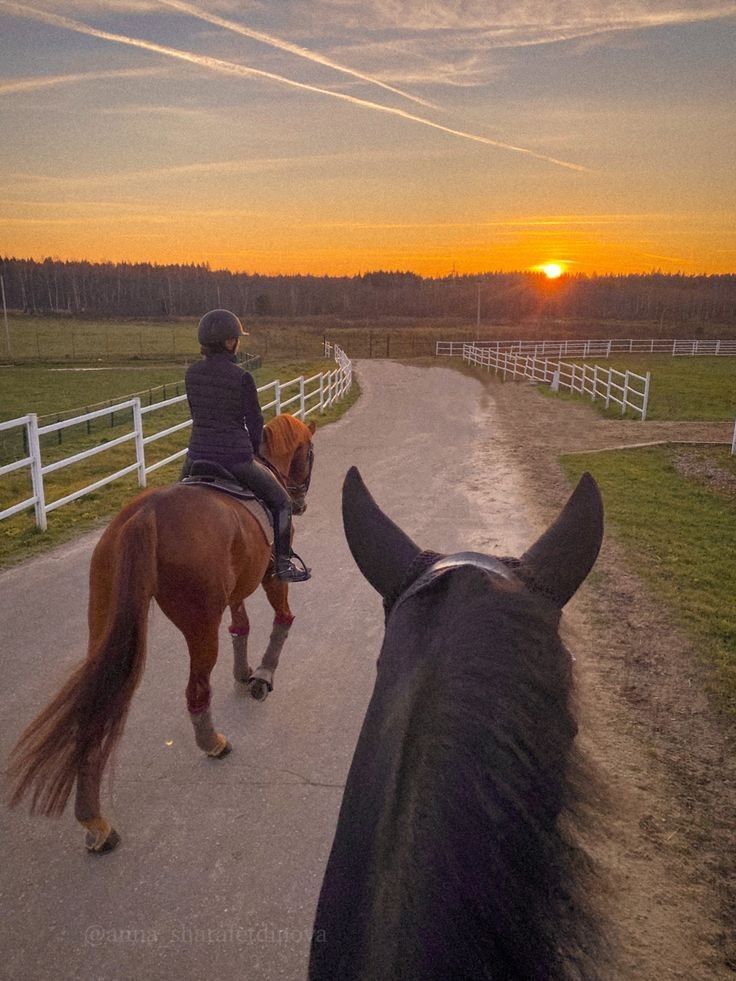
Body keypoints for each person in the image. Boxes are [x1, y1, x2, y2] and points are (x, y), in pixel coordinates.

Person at [182, 309, 311, 582]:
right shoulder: (242, 377)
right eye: (236, 339)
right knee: (282, 503)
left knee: (178, 499)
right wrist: (254, 450)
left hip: (195, 457)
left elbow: (197, 414)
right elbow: (254, 422)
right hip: (235, 459)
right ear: (229, 342)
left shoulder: (191, 374)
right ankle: (284, 564)